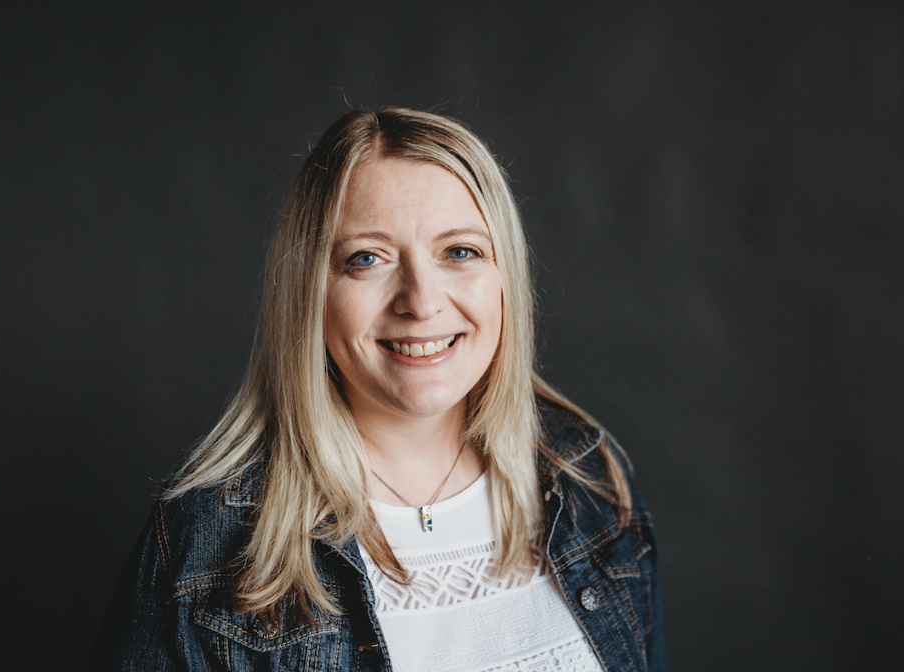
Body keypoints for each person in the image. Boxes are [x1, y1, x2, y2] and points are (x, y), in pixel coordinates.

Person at [92, 108, 667, 671]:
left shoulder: (587, 476)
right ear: (310, 293)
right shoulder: (206, 540)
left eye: (459, 252)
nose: (420, 300)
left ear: (504, 277)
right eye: (367, 259)